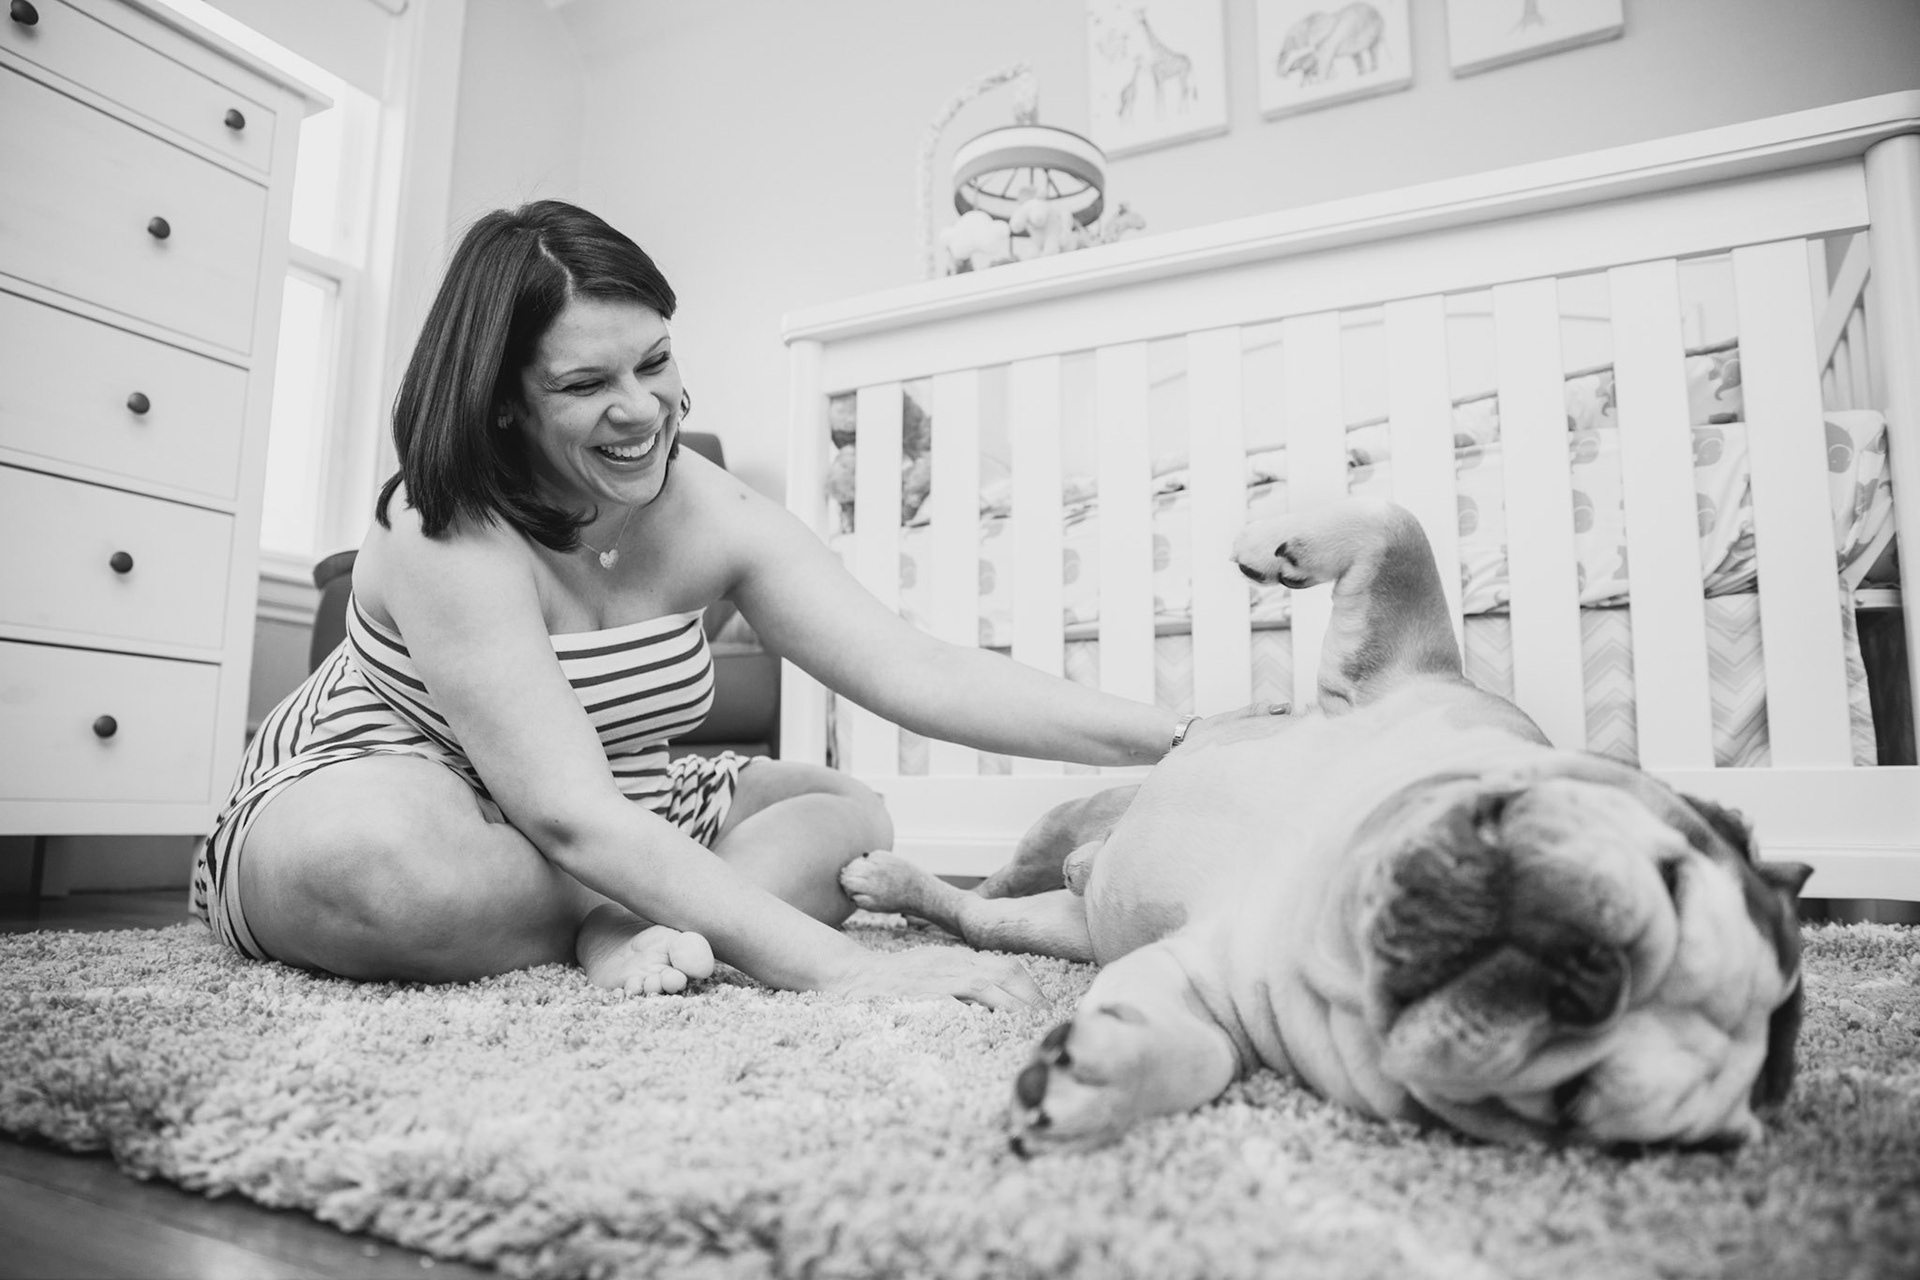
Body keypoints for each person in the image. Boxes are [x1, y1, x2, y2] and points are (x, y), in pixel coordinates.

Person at [189, 200, 1201, 1011]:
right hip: (408, 795)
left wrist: (1183, 736)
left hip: (625, 806)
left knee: (852, 815)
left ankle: (624, 915)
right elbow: (565, 810)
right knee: (374, 868)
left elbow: (915, 666)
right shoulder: (442, 522)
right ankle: (630, 905)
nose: (643, 410)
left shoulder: (709, 507)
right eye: (586, 383)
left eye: (656, 361)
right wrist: (843, 967)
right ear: (502, 404)